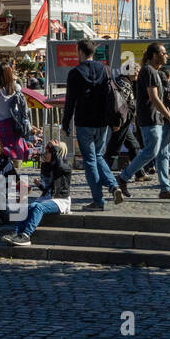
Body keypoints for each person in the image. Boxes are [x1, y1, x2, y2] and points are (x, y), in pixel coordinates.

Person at [116, 42, 170, 200]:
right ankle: (123, 177)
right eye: (164, 53)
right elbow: (154, 98)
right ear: (155, 55)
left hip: (156, 119)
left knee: (162, 154)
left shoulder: (153, 72)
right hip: (150, 118)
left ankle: (165, 189)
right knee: (151, 151)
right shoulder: (148, 71)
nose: (166, 55)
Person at [62, 38, 123, 210]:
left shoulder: (74, 73)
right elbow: (110, 96)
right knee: (98, 156)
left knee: (90, 160)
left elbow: (70, 102)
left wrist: (65, 124)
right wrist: (113, 120)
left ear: (81, 51)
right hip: (102, 121)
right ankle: (113, 186)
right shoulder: (105, 69)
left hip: (83, 121)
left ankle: (98, 200)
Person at [2, 139, 72, 245]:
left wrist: (55, 150)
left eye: (48, 152)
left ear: (57, 152)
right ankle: (16, 233)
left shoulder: (66, 165)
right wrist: (40, 185)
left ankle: (26, 235)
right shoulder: (47, 166)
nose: (44, 154)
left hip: (60, 200)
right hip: (48, 198)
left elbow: (60, 167)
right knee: (29, 207)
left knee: (38, 207)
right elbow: (48, 189)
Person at [0, 61, 28, 162]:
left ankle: (1, 173)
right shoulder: (17, 88)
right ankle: (14, 171)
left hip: (0, 125)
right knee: (14, 151)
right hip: (14, 124)